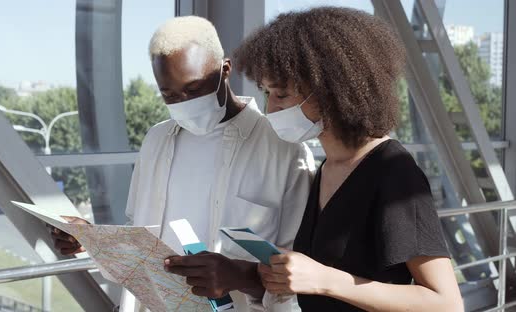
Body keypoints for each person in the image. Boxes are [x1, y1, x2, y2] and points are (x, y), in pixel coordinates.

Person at [49, 16, 314, 311]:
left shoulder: (285, 151)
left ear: (225, 70)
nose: (184, 102)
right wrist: (92, 239)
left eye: (194, 88)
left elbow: (297, 275)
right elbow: (140, 237)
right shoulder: (156, 140)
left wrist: (239, 276)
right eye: (169, 94)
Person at [232, 7, 464, 311]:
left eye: (281, 95)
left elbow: (446, 304)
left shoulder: (393, 171)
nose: (270, 109)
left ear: (331, 89)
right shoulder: (329, 168)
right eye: (267, 94)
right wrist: (286, 273)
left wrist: (323, 279)